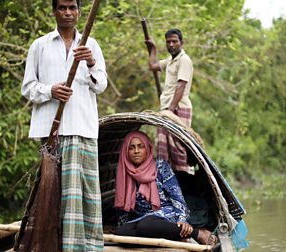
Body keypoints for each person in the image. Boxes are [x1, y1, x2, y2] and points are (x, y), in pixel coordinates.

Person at [21, 0, 107, 250]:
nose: (67, 13)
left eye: (72, 7)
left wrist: (91, 62)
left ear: (79, 12)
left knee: (85, 195)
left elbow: (101, 85)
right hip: (52, 133)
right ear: (54, 11)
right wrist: (51, 90)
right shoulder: (40, 45)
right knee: (51, 195)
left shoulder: (91, 44)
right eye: (62, 8)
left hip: (83, 129)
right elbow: (28, 87)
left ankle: (85, 246)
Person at [114, 131, 217, 245]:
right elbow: (122, 205)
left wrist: (182, 220)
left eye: (141, 146)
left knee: (146, 226)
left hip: (166, 213)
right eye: (131, 148)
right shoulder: (124, 171)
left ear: (147, 148)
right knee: (122, 233)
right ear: (126, 151)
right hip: (143, 218)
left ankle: (197, 233)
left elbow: (177, 196)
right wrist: (124, 225)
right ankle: (171, 235)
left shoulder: (160, 166)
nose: (136, 151)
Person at [145, 29, 194, 173]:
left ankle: (184, 181)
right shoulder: (170, 60)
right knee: (163, 147)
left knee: (178, 148)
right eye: (168, 42)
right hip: (166, 109)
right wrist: (153, 49)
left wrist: (170, 110)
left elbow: (181, 85)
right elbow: (152, 66)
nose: (171, 44)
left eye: (175, 41)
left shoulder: (184, 60)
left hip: (178, 108)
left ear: (181, 43)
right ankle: (165, 180)